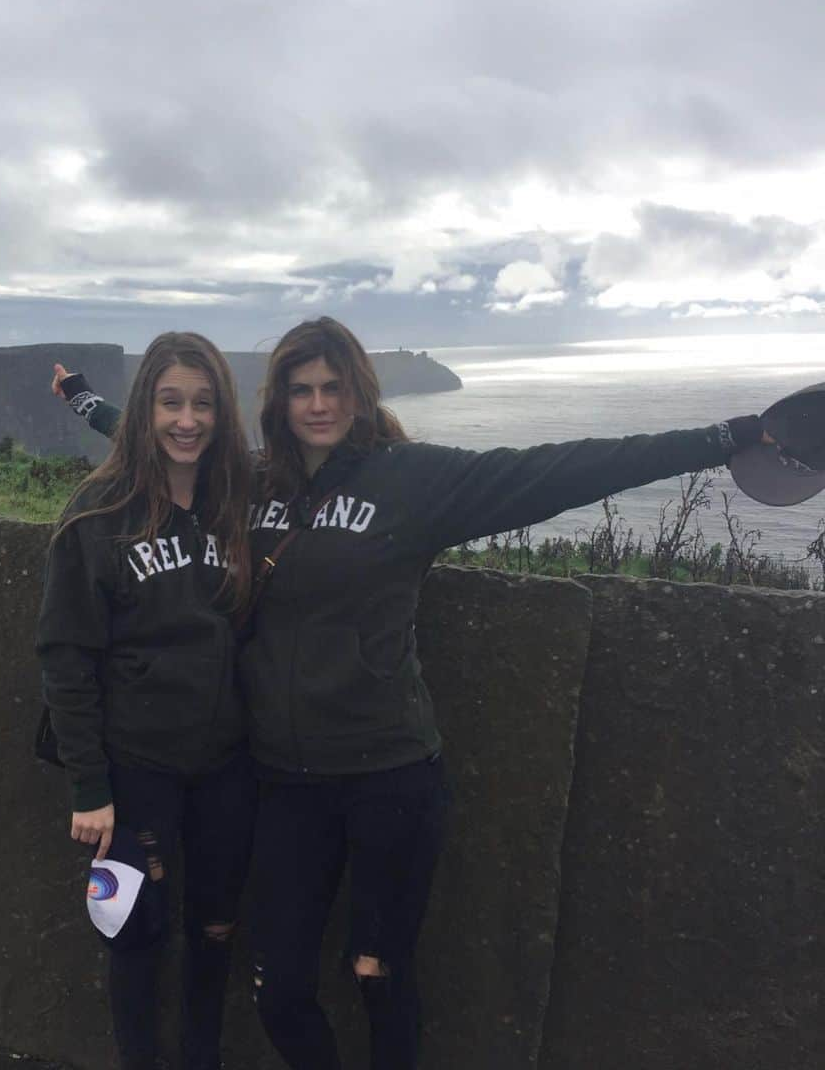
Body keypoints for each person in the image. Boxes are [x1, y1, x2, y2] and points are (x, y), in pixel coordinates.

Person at [52, 317, 773, 1070]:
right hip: (280, 783)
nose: (319, 404)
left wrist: (724, 438)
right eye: (302, 389)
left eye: (335, 388)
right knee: (275, 989)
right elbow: (158, 438)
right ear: (279, 401)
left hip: (386, 772)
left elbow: (561, 469)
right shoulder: (253, 480)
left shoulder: (415, 481)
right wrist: (82, 400)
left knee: (378, 976)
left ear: (361, 393)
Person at [36, 332, 255, 1070]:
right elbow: (65, 657)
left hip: (227, 766)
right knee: (132, 931)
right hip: (134, 773)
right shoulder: (98, 513)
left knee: (217, 930)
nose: (186, 420)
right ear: (144, 409)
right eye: (168, 402)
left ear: (222, 412)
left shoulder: (236, 500)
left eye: (202, 403)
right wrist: (89, 787)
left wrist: (76, 396)